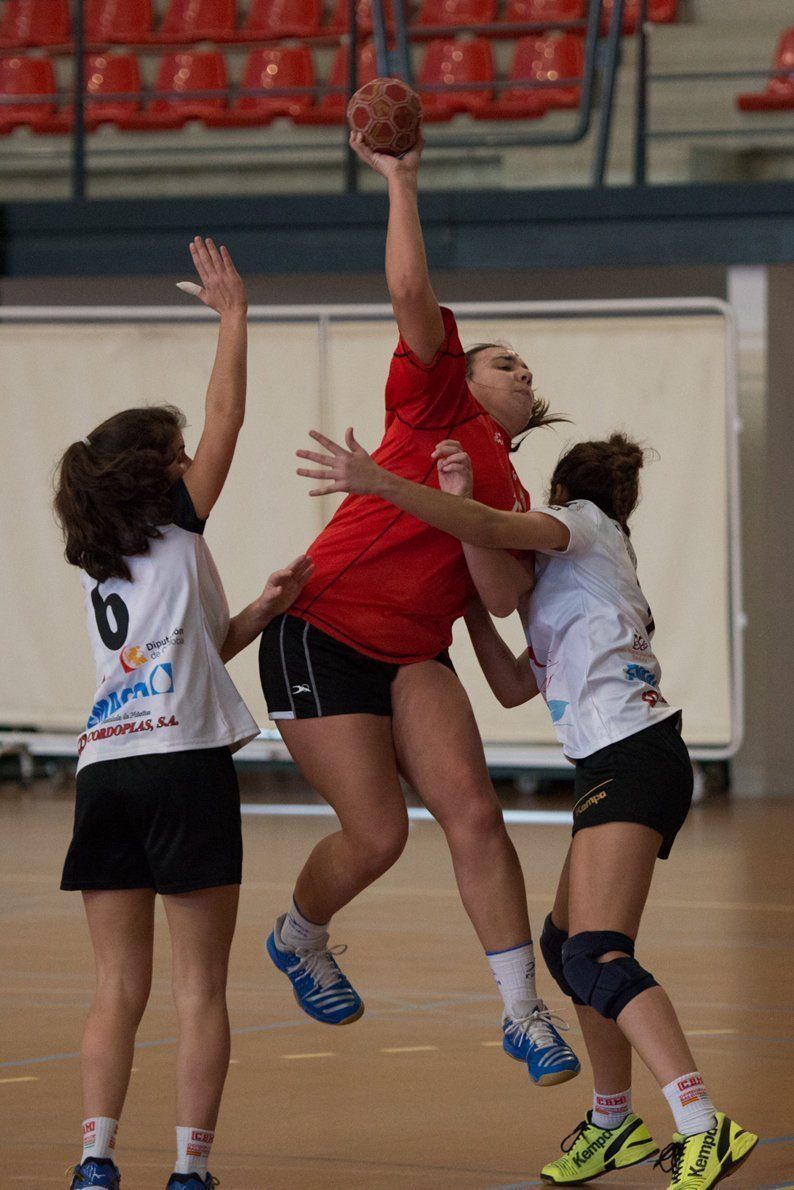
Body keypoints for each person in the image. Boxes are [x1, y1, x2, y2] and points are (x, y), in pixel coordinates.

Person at [294, 425, 759, 1190]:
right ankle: (612, 1124)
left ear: (561, 495)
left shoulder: (580, 525)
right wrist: (464, 601)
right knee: (564, 942)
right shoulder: (575, 584)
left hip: (632, 758)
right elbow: (514, 685)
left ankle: (704, 1125)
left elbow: (490, 526)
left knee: (598, 952)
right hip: (619, 762)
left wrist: (402, 488)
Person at [258, 132, 580, 1086]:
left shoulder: (518, 504)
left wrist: (477, 521)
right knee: (381, 834)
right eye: (502, 362)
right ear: (462, 375)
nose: (520, 373)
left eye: (526, 370)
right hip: (320, 629)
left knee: (477, 816)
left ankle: (523, 1012)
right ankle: (297, 934)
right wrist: (401, 179)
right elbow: (409, 295)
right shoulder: (432, 406)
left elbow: (497, 597)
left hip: (413, 654)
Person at [53, 238, 313, 1190]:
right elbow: (229, 417)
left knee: (116, 989)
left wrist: (261, 610)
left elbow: (189, 658)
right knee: (199, 984)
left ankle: (93, 1161)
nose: (190, 458)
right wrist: (234, 316)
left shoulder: (102, 566)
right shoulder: (176, 520)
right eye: (176, 455)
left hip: (105, 766)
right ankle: (189, 1171)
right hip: (180, 764)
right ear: (158, 473)